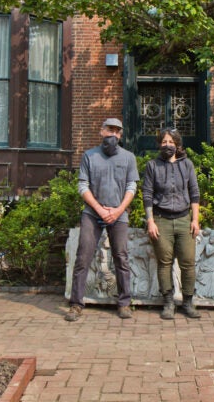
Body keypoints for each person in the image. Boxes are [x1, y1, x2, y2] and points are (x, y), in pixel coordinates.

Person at [65, 118, 140, 321]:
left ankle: (124, 303)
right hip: (91, 213)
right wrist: (99, 208)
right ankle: (76, 304)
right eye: (109, 130)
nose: (113, 135)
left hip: (119, 214)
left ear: (121, 135)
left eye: (117, 131)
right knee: (83, 257)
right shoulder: (89, 156)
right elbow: (83, 186)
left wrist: (117, 211)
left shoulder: (129, 158)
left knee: (121, 258)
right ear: (101, 131)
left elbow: (131, 187)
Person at [142, 127, 202, 319]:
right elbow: (147, 195)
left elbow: (194, 193)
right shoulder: (153, 166)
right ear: (160, 144)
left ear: (177, 144)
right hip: (161, 220)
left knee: (188, 263)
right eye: (164, 142)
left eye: (171, 142)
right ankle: (168, 302)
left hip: (184, 220)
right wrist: (150, 221)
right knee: (164, 263)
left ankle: (187, 301)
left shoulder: (187, 165)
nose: (168, 145)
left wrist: (195, 219)